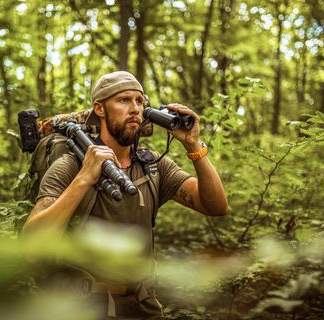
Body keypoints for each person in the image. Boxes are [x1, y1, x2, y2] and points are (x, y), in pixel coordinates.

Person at [22, 71, 228, 319]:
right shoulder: (70, 165)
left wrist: (194, 145)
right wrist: (85, 177)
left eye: (139, 101)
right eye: (123, 100)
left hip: (142, 304)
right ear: (99, 108)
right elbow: (32, 249)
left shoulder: (153, 164)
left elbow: (215, 205)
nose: (135, 109)